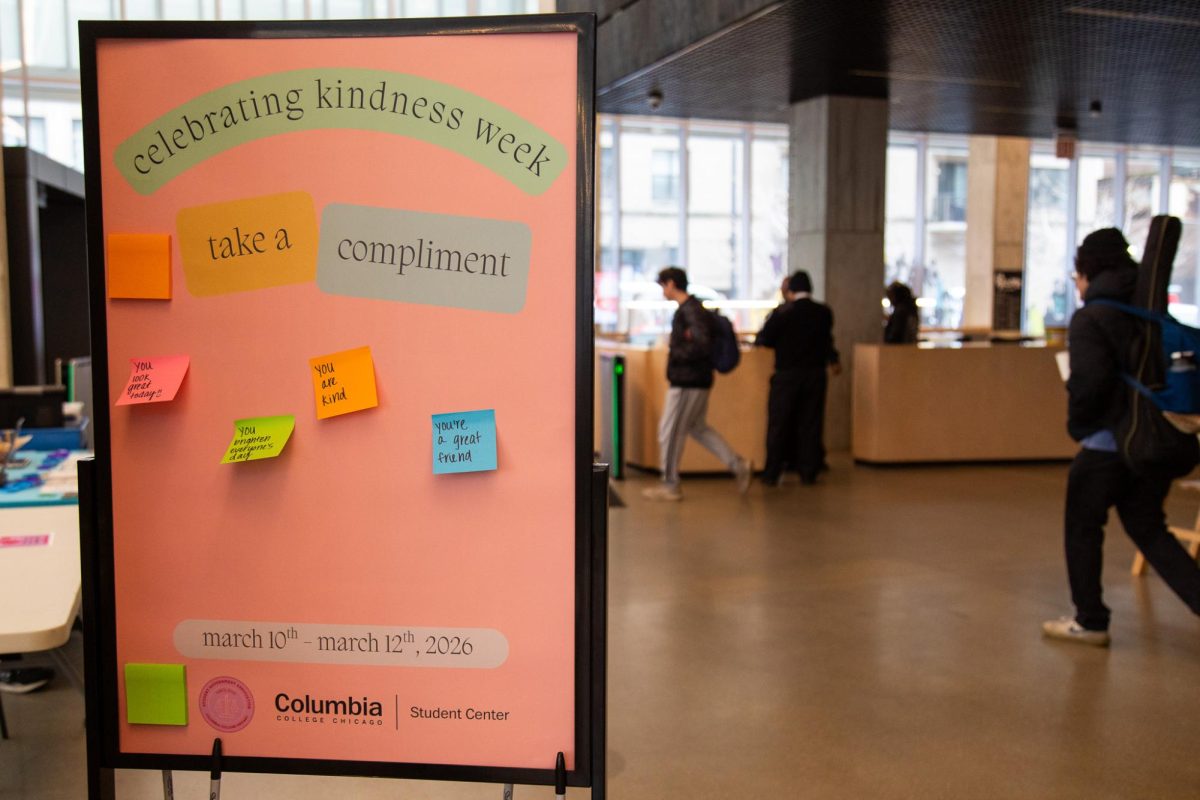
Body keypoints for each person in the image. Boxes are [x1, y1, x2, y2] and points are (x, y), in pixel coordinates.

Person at [1043, 227, 1200, 646]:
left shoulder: (1092, 318)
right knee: (1150, 529)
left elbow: (1089, 385)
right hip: (1152, 443)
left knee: (1082, 526)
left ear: (1088, 273)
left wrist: (1078, 426)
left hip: (1106, 446)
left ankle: (1090, 620)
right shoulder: (1145, 309)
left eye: (1077, 275)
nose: (1076, 284)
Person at [643, 267, 751, 501]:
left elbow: (701, 344)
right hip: (696, 379)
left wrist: (676, 351)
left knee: (669, 431)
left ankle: (670, 483)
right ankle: (737, 464)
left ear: (671, 284)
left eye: (663, 285)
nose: (663, 290)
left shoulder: (690, 311)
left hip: (687, 381)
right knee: (697, 427)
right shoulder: (694, 309)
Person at [754, 271, 837, 486]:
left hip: (787, 375)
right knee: (811, 423)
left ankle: (772, 472)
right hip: (816, 375)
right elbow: (827, 341)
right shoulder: (823, 312)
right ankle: (808, 471)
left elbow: (765, 339)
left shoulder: (783, 312)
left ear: (790, 290)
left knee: (779, 424)